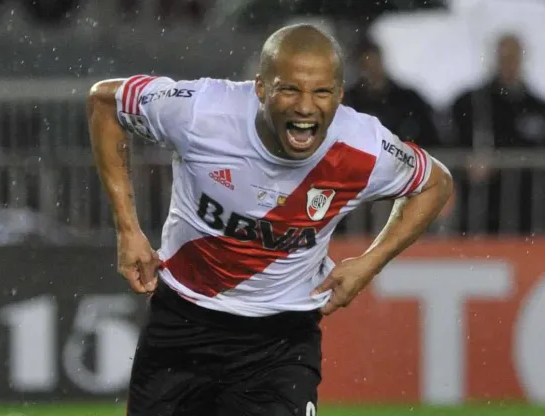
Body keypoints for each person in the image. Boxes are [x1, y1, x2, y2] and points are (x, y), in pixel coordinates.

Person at [87, 24, 453, 416]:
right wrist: (128, 229)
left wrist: (368, 264)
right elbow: (104, 102)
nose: (306, 107)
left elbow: (436, 184)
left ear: (340, 94)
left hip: (281, 341)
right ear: (261, 88)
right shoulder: (202, 111)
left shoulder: (363, 146)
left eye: (322, 92)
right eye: (290, 89)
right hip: (182, 322)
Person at [451, 34, 545, 235]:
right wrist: (468, 163)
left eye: (513, 58)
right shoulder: (472, 104)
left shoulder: (540, 109)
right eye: (504, 58)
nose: (508, 64)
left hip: (530, 215)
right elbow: (450, 146)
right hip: (481, 216)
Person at [344, 37, 440, 149]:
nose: (372, 71)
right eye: (366, 66)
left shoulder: (409, 100)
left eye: (374, 64)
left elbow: (432, 141)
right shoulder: (349, 103)